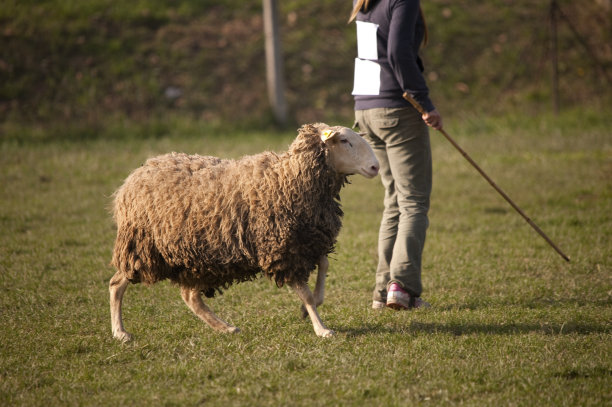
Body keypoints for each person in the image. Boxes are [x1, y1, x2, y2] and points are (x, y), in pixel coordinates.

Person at [349, 0, 442, 310]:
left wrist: (368, 107)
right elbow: (398, 53)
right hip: (398, 110)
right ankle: (401, 287)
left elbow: (371, 53)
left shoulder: (363, 1)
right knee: (413, 201)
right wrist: (424, 103)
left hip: (366, 109)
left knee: (394, 199)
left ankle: (382, 291)